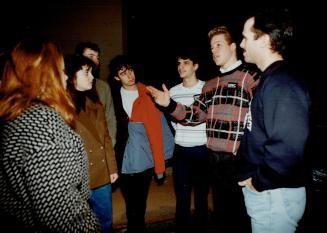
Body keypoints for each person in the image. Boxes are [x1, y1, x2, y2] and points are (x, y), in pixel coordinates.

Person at [147, 26, 259, 233]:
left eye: (219, 45)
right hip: (214, 162)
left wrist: (255, 163)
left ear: (233, 46)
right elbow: (194, 116)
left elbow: (261, 123)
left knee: (242, 220)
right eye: (211, 47)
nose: (214, 50)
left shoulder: (250, 78)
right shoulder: (210, 85)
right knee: (222, 218)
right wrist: (169, 105)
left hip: (240, 162)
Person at [0, 38, 100, 232]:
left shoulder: (16, 114)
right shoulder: (42, 124)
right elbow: (61, 214)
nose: (65, 77)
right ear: (45, 74)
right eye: (61, 71)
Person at [237, 8, 311, 233]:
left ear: (264, 40)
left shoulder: (282, 84)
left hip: (273, 195)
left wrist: (258, 183)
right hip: (271, 195)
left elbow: (288, 147)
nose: (241, 44)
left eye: (245, 37)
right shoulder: (271, 80)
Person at [108, 55, 174, 233]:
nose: (129, 75)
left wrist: (161, 160)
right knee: (130, 202)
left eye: (130, 70)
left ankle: (138, 228)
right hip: (121, 158)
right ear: (116, 78)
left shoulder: (148, 93)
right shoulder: (112, 98)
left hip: (144, 157)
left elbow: (158, 130)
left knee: (140, 202)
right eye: (123, 73)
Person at [65, 54, 118, 233]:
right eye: (86, 73)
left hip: (102, 175)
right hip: (78, 178)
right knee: (81, 225)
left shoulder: (95, 101)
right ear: (71, 77)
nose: (92, 77)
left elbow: (105, 137)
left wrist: (112, 167)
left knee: (105, 222)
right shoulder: (62, 107)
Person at [169, 50, 209, 233]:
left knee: (202, 197)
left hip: (202, 150)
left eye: (186, 62)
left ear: (196, 66)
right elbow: (173, 121)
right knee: (182, 199)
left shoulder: (206, 88)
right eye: (179, 63)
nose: (181, 66)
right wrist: (182, 133)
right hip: (181, 151)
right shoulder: (173, 92)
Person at [75, 42, 117, 147]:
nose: (95, 61)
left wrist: (110, 142)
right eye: (91, 56)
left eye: (97, 58)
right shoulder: (68, 86)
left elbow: (110, 118)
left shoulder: (103, 87)